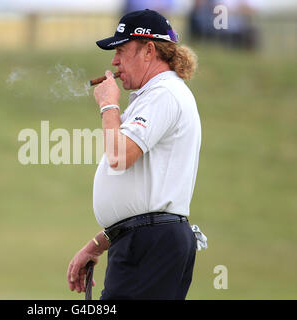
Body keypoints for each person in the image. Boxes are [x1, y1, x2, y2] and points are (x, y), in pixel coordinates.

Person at [67, 9, 202, 300]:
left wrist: (108, 105)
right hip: (142, 241)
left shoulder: (163, 93)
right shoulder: (155, 95)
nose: (114, 61)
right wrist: (98, 243)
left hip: (150, 244)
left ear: (149, 50)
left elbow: (119, 157)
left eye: (122, 50)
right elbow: (143, 196)